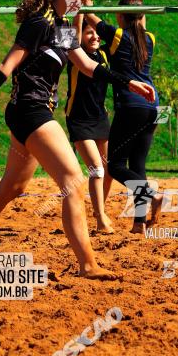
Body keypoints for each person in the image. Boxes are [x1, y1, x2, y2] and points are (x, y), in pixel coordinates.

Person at [0, 0, 155, 278]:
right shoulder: (40, 22)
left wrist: (127, 80)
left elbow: (87, 66)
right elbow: (7, 66)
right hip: (29, 111)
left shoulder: (62, 26)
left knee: (11, 188)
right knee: (72, 180)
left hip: (34, 112)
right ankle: (88, 264)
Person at [84, 0, 163, 234]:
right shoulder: (149, 38)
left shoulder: (118, 36)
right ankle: (139, 224)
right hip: (153, 106)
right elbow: (140, 19)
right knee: (138, 164)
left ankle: (149, 193)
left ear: (120, 15)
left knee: (115, 165)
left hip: (132, 104)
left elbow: (90, 16)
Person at [65, 20, 114, 234]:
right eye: (89, 33)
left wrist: (89, 0)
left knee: (108, 168)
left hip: (100, 118)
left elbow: (124, 32)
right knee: (96, 168)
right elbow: (73, 32)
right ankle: (101, 218)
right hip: (78, 119)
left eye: (97, 34)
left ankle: (98, 210)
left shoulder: (103, 55)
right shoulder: (73, 53)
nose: (95, 37)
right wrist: (80, 9)